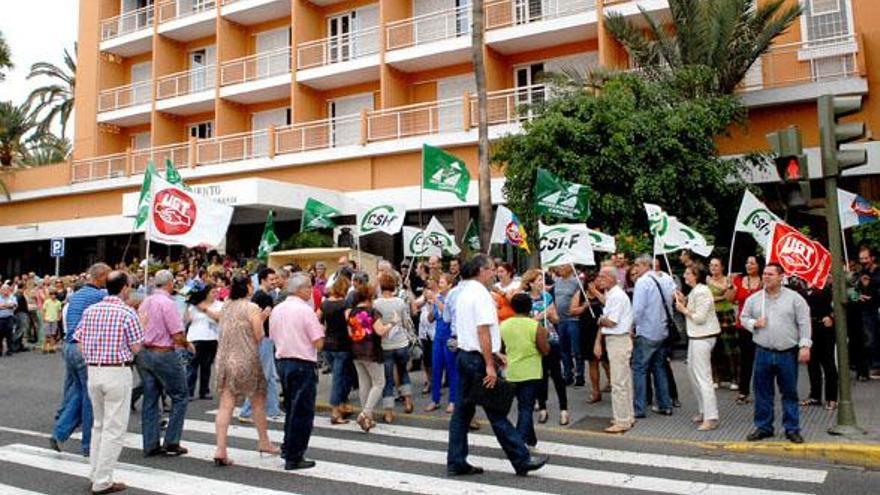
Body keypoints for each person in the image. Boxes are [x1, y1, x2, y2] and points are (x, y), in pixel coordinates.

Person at [446, 254, 547, 477]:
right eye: (492, 269)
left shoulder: (463, 293)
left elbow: (473, 330)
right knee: (497, 411)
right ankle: (521, 459)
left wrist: (493, 353)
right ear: (481, 270)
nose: (495, 273)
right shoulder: (481, 295)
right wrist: (490, 364)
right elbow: (482, 330)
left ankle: (456, 460)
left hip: (464, 356)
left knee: (462, 414)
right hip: (476, 360)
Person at [75, 271, 144, 495]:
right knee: (114, 429)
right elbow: (136, 348)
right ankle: (103, 479)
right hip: (117, 370)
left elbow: (79, 341)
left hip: (94, 369)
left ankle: (95, 473)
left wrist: (92, 358)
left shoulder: (91, 311)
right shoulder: (127, 312)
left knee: (99, 424)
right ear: (124, 288)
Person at [740, 263, 812, 444]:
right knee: (762, 392)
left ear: (781, 277)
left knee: (789, 392)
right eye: (764, 274)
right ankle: (764, 427)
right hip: (762, 351)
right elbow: (743, 317)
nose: (766, 277)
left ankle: (792, 428)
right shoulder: (755, 299)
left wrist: (805, 345)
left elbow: (804, 323)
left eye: (770, 274)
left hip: (786, 353)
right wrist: (754, 323)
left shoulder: (795, 299)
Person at [213, 276, 279, 467]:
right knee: (257, 401)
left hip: (224, 358)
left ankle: (220, 448)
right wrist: (263, 317)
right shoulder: (251, 307)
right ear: (249, 288)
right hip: (246, 358)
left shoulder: (226, 306)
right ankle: (264, 441)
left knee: (226, 404)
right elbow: (259, 335)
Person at [50, 262, 110, 457]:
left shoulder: (77, 295)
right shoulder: (100, 295)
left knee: (78, 391)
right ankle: (88, 444)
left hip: (69, 346)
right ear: (101, 277)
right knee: (90, 396)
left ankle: (60, 432)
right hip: (82, 347)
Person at [271, 273, 325, 470]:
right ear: (300, 289)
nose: (311, 291)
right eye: (309, 287)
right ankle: (295, 456)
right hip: (302, 361)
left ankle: (288, 448)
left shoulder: (277, 309)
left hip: (283, 361)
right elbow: (318, 342)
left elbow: (273, 335)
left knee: (291, 408)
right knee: (302, 411)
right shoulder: (305, 310)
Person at [138, 269, 192, 457]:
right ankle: (172, 441)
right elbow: (177, 333)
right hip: (163, 352)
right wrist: (187, 345)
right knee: (180, 395)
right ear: (170, 284)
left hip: (144, 352)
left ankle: (150, 442)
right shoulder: (167, 303)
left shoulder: (146, 301)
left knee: (150, 397)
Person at [674, 263, 721, 431]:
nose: (685, 276)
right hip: (696, 337)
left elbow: (700, 318)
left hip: (703, 337)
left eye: (688, 273)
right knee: (693, 374)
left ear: (696, 275)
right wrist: (685, 301)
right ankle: (703, 411)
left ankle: (711, 417)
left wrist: (683, 308)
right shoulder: (697, 291)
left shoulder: (702, 291)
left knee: (703, 377)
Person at [501, 293, 550, 450]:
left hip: (512, 371)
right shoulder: (535, 326)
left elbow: (500, 348)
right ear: (529, 307)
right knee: (526, 408)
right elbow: (545, 350)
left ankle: (531, 440)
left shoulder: (504, 325)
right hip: (531, 371)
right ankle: (519, 440)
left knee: (521, 406)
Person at [522, 269, 568, 425]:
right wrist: (540, 316)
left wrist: (551, 315)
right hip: (534, 340)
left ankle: (564, 409)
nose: (542, 283)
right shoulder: (524, 299)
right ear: (530, 283)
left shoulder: (547, 297)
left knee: (557, 375)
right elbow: (526, 322)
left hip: (551, 339)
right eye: (538, 280)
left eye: (542, 279)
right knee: (540, 375)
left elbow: (556, 319)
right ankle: (542, 408)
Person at [630, 255, 674, 418]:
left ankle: (639, 408)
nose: (635, 269)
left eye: (636, 265)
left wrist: (631, 327)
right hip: (662, 330)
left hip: (647, 331)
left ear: (643, 265)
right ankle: (665, 404)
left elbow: (638, 310)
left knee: (639, 369)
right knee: (659, 368)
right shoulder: (665, 279)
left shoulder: (642, 282)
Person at [594, 265, 635, 434]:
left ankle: (622, 420)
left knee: (618, 382)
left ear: (611, 278)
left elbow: (611, 321)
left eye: (602, 277)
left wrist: (600, 320)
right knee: (624, 381)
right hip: (619, 339)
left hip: (618, 339)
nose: (599, 280)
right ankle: (627, 415)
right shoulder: (613, 295)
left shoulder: (616, 296)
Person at [239, 268, 282, 423]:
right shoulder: (264, 297)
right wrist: (263, 318)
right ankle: (246, 410)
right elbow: (256, 320)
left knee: (269, 375)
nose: (274, 282)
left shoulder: (260, 296)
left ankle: (273, 409)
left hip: (264, 338)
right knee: (262, 375)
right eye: (271, 279)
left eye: (275, 279)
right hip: (262, 338)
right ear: (263, 280)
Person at [348, 284, 390, 432]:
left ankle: (368, 418)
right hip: (371, 351)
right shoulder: (372, 312)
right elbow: (380, 331)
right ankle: (365, 413)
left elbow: (350, 333)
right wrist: (393, 323)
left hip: (356, 350)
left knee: (364, 383)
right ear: (370, 297)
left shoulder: (352, 312)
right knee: (379, 383)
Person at [374, 272, 414, 423]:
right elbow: (405, 322)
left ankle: (389, 412)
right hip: (401, 342)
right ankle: (408, 401)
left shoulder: (377, 304)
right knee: (403, 372)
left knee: (388, 379)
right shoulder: (400, 302)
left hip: (386, 344)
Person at [793, 277, 838, 410]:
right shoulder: (800, 287)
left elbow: (839, 304)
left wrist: (831, 316)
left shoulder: (827, 287)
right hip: (808, 328)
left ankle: (832, 398)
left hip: (825, 328)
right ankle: (815, 396)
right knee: (812, 363)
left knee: (828, 362)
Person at [319, 276, 354, 424]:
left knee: (341, 376)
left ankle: (342, 405)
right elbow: (350, 323)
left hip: (328, 345)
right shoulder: (345, 304)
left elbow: (318, 320)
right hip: (343, 345)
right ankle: (335, 412)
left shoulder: (325, 303)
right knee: (339, 379)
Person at [731, 255, 763, 404]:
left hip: (761, 325)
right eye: (747, 262)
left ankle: (762, 390)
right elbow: (731, 299)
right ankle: (743, 391)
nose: (748, 265)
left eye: (752, 263)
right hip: (744, 325)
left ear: (759, 265)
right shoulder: (739, 280)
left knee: (762, 360)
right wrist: (730, 287)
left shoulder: (764, 281)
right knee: (745, 360)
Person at [426, 274, 458, 413]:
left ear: (450, 285)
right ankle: (435, 399)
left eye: (442, 282)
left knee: (452, 369)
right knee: (436, 368)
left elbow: (447, 313)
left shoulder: (452, 299)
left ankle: (453, 400)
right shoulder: (437, 298)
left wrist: (435, 300)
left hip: (450, 337)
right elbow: (431, 319)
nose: (439, 284)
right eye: (439, 282)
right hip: (438, 338)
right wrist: (431, 307)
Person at [185, 284, 221, 400]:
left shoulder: (219, 305)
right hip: (195, 337)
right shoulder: (195, 304)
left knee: (206, 367)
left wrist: (205, 309)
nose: (215, 295)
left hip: (211, 338)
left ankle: (204, 391)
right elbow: (187, 319)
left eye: (217, 292)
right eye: (213, 292)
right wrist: (188, 305)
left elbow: (219, 317)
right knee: (192, 366)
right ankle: (189, 391)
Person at [708, 257, 739, 390]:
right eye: (711, 265)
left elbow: (731, 297)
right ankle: (716, 378)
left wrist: (725, 292)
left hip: (726, 315)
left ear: (722, 267)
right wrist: (722, 294)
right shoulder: (707, 280)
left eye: (716, 265)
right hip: (712, 316)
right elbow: (708, 299)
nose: (713, 268)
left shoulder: (729, 280)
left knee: (730, 349)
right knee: (714, 348)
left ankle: (734, 378)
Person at [552, 264, 583, 387]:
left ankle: (579, 375)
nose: (560, 268)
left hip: (573, 319)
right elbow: (555, 299)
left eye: (562, 266)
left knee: (576, 349)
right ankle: (567, 374)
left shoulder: (576, 282)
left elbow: (581, 298)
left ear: (570, 268)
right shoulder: (557, 282)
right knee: (564, 349)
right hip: (561, 320)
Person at [855, 247, 880, 380]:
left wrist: (871, 284)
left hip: (875, 307)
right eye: (861, 259)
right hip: (864, 309)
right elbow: (856, 287)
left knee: (874, 336)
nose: (863, 261)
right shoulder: (862, 272)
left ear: (872, 258)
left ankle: (876, 364)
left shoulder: (877, 272)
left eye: (866, 258)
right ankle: (870, 365)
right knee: (868, 337)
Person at [0, 284, 17, 356]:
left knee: (9, 334)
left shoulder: (12, 297)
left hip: (9, 318)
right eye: (3, 289)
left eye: (7, 289)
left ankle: (10, 350)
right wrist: (8, 305)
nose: (5, 291)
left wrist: (3, 306)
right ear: (1, 290)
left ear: (9, 290)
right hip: (0, 318)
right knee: (0, 335)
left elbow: (14, 305)